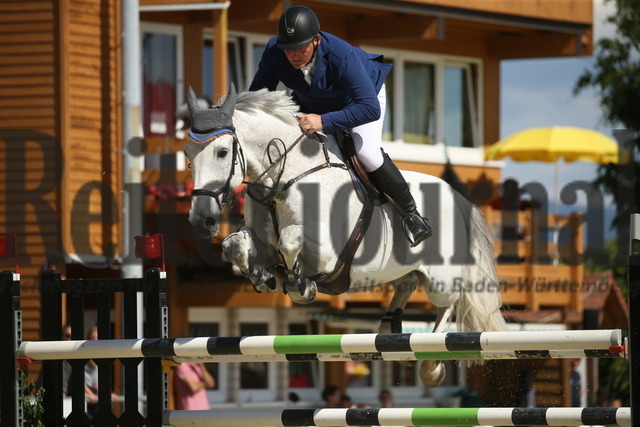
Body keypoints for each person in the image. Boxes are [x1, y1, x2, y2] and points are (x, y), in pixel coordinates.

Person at [249, 5, 433, 247]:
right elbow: (257, 98)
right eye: (288, 49)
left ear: (316, 40)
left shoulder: (341, 55)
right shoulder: (274, 52)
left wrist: (323, 120)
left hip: (362, 98)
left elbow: (369, 108)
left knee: (366, 152)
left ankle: (412, 216)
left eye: (300, 48)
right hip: (314, 97)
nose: (294, 55)